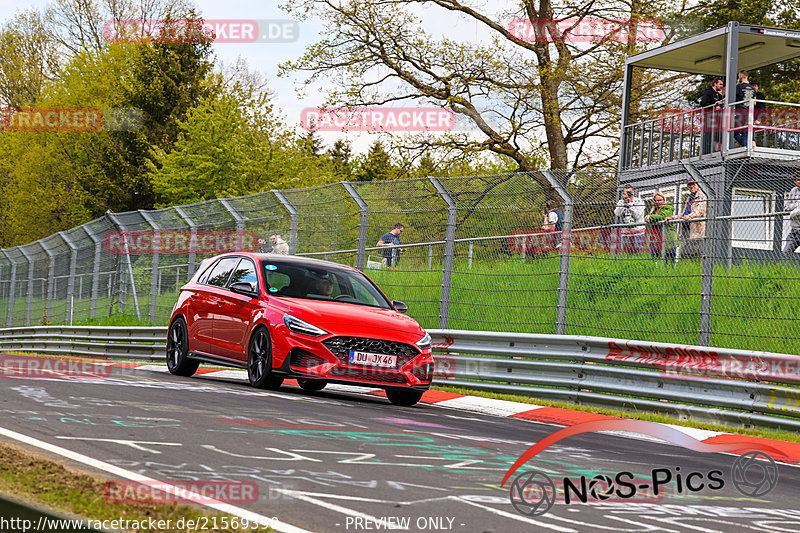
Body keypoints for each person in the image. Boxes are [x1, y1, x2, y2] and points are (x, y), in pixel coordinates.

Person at [670, 177, 707, 259]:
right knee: (687, 253)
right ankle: (689, 267)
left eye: (693, 184)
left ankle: (701, 269)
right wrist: (673, 218)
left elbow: (700, 211)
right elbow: (684, 213)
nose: (691, 186)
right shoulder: (689, 197)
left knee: (697, 253)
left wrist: (690, 216)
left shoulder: (702, 196)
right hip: (686, 229)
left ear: (697, 184)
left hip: (697, 229)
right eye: (689, 185)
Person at [644, 192, 678, 262]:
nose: (657, 202)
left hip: (668, 237)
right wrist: (647, 216)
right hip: (655, 237)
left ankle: (670, 272)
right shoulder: (653, 210)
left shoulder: (667, 207)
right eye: (656, 200)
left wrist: (650, 217)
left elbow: (663, 217)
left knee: (669, 260)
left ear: (664, 200)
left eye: (660, 200)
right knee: (655, 259)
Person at [613, 184, 646, 253]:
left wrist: (630, 204)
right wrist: (623, 203)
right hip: (626, 233)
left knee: (638, 254)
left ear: (633, 192)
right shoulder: (621, 202)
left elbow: (638, 215)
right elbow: (617, 213)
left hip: (638, 232)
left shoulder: (639, 201)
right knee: (626, 254)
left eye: (629, 192)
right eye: (625, 193)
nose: (627, 194)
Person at [700, 78, 724, 154]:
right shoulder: (708, 92)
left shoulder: (717, 94)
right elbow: (703, 103)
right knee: (710, 135)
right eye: (720, 84)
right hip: (709, 118)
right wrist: (714, 107)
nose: (721, 86)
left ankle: (718, 151)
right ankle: (710, 152)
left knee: (718, 135)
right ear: (715, 84)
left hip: (716, 119)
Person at [734, 70, 756, 148]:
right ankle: (745, 147)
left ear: (741, 76)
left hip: (740, 112)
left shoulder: (739, 86)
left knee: (733, 131)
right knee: (746, 133)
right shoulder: (752, 88)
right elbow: (755, 102)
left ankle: (744, 146)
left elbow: (731, 97)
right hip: (749, 112)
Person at [784, 172, 800, 255]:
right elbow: (786, 207)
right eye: (798, 180)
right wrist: (797, 206)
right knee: (786, 252)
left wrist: (793, 211)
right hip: (795, 229)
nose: (799, 182)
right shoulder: (793, 191)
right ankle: (783, 267)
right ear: (795, 181)